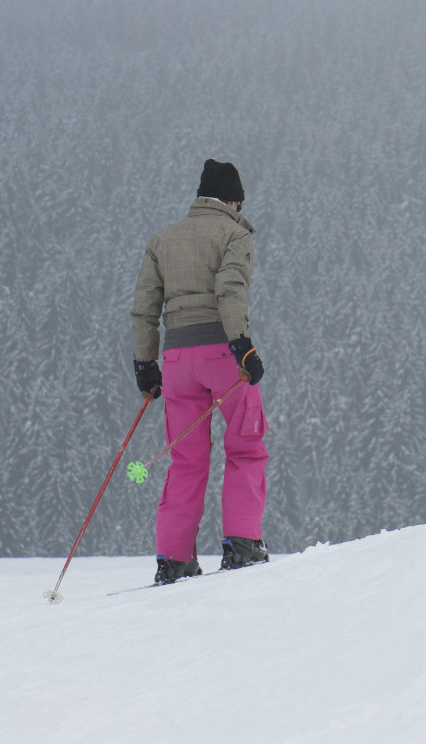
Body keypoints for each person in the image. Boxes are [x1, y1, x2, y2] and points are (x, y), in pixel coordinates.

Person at [130, 159, 269, 584]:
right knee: (245, 444)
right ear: (232, 199)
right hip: (223, 354)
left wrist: (145, 364)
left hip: (175, 362)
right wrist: (242, 346)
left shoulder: (162, 241)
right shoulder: (234, 233)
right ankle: (242, 544)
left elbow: (144, 308)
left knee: (186, 459)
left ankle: (174, 560)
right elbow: (229, 289)